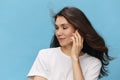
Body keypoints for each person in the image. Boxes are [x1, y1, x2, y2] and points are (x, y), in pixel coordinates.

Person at [27, 7, 112, 80]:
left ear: (78, 30)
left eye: (64, 27)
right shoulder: (45, 55)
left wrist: (75, 59)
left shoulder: (93, 63)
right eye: (57, 28)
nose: (58, 33)